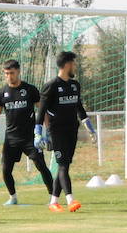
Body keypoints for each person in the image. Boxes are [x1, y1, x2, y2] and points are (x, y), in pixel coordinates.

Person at [0, 59, 56, 206]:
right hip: (11, 138)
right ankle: (13, 197)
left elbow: (42, 110)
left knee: (41, 166)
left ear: (18, 72)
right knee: (5, 169)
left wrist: (47, 131)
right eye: (6, 74)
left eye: (11, 73)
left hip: (30, 138)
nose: (9, 76)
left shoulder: (30, 90)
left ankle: (53, 197)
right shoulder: (1, 93)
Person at [38, 50, 96, 212]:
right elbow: (41, 112)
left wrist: (90, 127)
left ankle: (53, 202)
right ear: (67, 65)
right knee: (62, 166)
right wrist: (39, 133)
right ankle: (71, 200)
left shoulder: (74, 85)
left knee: (65, 166)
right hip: (56, 132)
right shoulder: (51, 86)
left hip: (72, 131)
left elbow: (79, 108)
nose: (75, 66)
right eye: (74, 63)